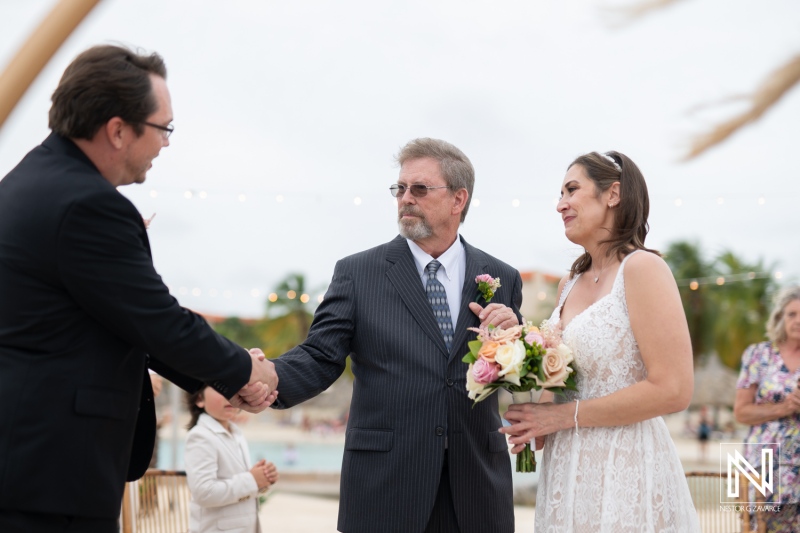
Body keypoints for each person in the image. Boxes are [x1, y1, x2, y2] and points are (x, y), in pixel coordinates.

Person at [0, 44, 277, 533]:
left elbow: (121, 320)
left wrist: (221, 378)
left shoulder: (28, 181)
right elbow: (156, 320)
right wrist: (243, 371)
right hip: (51, 475)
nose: (166, 144)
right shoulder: (87, 206)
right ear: (118, 130)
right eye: (163, 128)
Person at [270, 138, 522, 533]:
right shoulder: (357, 273)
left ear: (458, 199)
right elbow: (320, 356)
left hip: (476, 490)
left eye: (419, 188)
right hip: (385, 488)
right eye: (400, 188)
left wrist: (515, 343)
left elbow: (511, 377)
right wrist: (263, 378)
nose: (405, 198)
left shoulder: (502, 278)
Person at [501, 151, 700, 531]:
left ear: (613, 194)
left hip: (625, 464)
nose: (560, 204)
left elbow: (674, 389)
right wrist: (531, 413)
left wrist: (562, 417)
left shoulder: (642, 268)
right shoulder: (568, 284)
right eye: (560, 194)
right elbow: (558, 388)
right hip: (566, 472)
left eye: (572, 190)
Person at [733, 286, 800, 531]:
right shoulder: (758, 355)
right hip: (763, 461)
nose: (798, 320)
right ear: (780, 318)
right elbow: (741, 412)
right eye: (792, 314)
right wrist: (785, 407)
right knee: (761, 526)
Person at [185, 387, 279, 533]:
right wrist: (252, 480)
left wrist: (263, 478)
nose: (229, 395)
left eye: (235, 388)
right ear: (199, 399)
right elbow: (204, 493)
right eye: (219, 389)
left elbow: (239, 482)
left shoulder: (236, 433)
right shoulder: (200, 436)